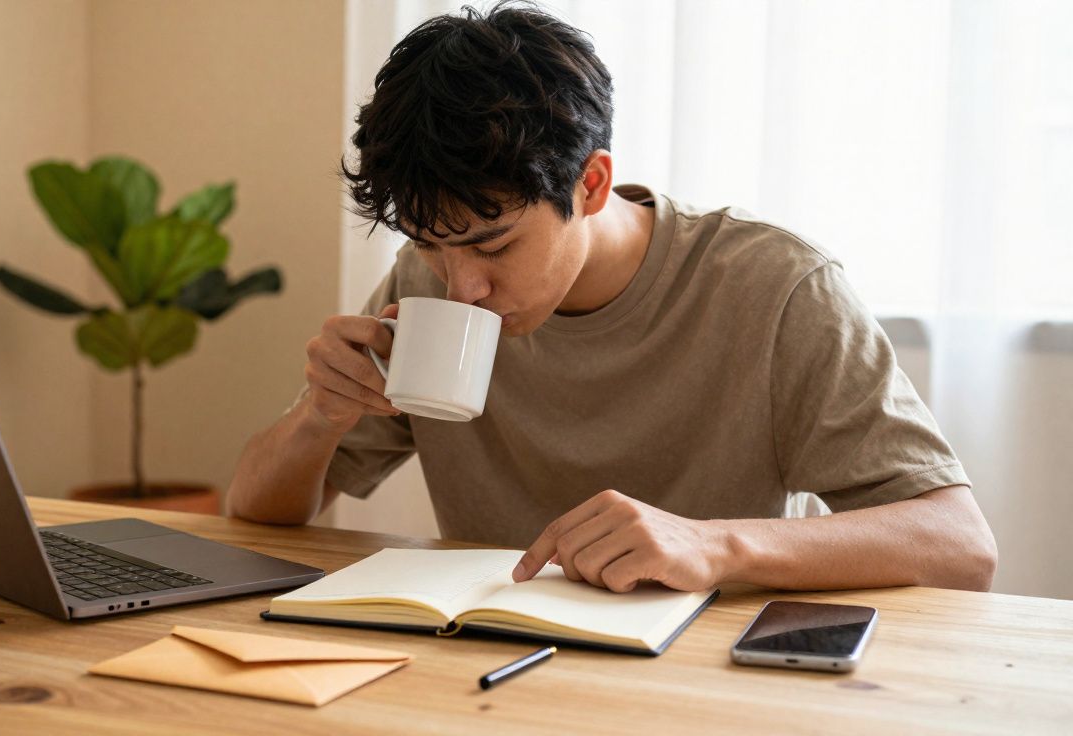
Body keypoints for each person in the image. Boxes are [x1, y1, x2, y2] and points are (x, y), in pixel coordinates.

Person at [227, 1, 997, 593]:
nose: (463, 287)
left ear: (589, 184)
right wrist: (316, 419)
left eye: (494, 245)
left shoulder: (775, 287)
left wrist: (715, 544)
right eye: (432, 243)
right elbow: (258, 513)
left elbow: (961, 544)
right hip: (488, 664)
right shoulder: (429, 279)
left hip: (706, 677)